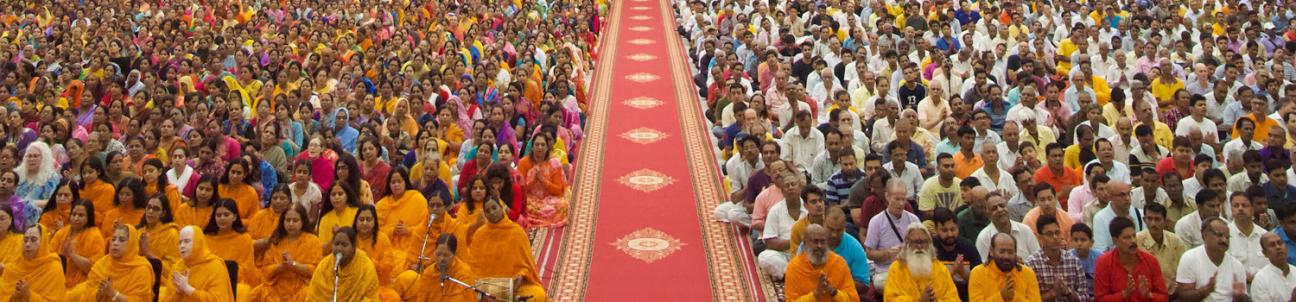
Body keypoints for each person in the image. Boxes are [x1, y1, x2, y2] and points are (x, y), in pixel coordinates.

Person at [465, 197, 547, 301]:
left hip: (515, 287)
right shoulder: (480, 234)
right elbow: (473, 268)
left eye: (494, 208)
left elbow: (526, 266)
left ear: (501, 208)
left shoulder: (517, 232)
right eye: (488, 211)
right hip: (486, 289)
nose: (492, 213)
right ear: (485, 214)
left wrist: (520, 277)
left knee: (537, 295)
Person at [249, 204, 323, 301]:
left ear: (303, 222)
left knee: (309, 294)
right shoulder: (276, 240)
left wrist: (293, 265)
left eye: (295, 220)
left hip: (301, 285)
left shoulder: (313, 241)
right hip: (278, 284)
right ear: (282, 222)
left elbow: (316, 270)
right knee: (260, 292)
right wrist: (281, 266)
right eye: (288, 220)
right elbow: (266, 271)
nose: (291, 224)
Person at [65, 224, 154, 301]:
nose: (115, 243)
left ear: (131, 243)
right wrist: (99, 294)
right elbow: (87, 293)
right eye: (114, 239)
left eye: (121, 240)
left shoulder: (141, 268)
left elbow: (140, 300)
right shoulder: (102, 264)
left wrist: (113, 294)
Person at [1093, 216, 1169, 301]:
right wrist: (1123, 295)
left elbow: (1164, 296)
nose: (1133, 241)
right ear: (1115, 241)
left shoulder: (1151, 261)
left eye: (1134, 236)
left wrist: (1149, 295)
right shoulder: (1104, 262)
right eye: (1127, 237)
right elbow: (1099, 299)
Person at [865, 178, 922, 287]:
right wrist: (887, 253)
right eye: (897, 199)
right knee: (882, 284)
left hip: (911, 267)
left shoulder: (913, 219)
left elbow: (924, 245)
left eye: (903, 199)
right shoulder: (876, 221)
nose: (901, 204)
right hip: (886, 270)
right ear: (887, 196)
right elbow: (869, 253)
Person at [1175, 217, 1248, 302]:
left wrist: (1238, 296)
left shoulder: (1237, 266)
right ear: (1204, 235)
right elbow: (1184, 297)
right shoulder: (1189, 258)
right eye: (1219, 235)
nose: (1224, 240)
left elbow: (1243, 299)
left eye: (1227, 237)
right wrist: (1206, 290)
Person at [883, 222, 960, 301]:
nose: (919, 246)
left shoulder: (940, 269)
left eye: (923, 242)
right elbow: (890, 299)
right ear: (907, 244)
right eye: (915, 242)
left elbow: (954, 298)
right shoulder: (896, 269)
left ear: (929, 244)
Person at [1023, 215, 1093, 301]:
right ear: (1040, 238)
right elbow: (1028, 299)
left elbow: (1085, 297)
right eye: (1049, 234)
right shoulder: (1031, 264)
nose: (1055, 237)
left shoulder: (1073, 261)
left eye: (1057, 232)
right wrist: (1053, 293)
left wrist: (1068, 292)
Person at [785, 223, 860, 301]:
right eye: (815, 241)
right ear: (805, 243)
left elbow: (853, 299)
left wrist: (834, 292)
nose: (819, 246)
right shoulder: (794, 267)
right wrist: (815, 294)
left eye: (823, 241)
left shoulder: (839, 263)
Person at [395, 234, 478, 302]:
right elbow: (422, 298)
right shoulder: (429, 272)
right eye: (438, 254)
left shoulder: (463, 274)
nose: (441, 259)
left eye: (446, 255)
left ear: (454, 255)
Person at [159, 226, 233, 302]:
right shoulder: (177, 267)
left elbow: (218, 300)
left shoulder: (215, 266)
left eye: (187, 241)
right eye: (180, 242)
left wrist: (189, 290)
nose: (182, 246)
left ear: (198, 242)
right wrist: (178, 293)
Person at [306, 227, 380, 301]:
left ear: (353, 247)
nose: (339, 249)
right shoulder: (325, 265)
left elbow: (370, 298)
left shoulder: (365, 266)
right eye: (336, 244)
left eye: (344, 245)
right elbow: (313, 296)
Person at [204, 199, 260, 296]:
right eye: (218, 215)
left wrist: (226, 272)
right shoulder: (206, 238)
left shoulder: (244, 238)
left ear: (234, 217)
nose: (222, 218)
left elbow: (247, 269)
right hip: (209, 282)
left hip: (234, 282)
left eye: (226, 215)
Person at [759, 173, 807, 279]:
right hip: (784, 255)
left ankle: (793, 275)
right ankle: (794, 275)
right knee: (765, 257)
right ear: (782, 192)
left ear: (800, 188)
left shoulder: (809, 207)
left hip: (807, 252)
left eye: (793, 184)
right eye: (787, 186)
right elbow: (770, 242)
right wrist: (795, 242)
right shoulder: (775, 210)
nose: (790, 188)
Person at [968, 233, 1042, 301]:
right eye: (1002, 252)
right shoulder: (978, 273)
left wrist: (1014, 297)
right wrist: (1001, 296)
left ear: (1016, 253)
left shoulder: (1028, 273)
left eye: (1010, 252)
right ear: (991, 251)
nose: (1006, 256)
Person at [0, 225, 65, 301]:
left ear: (43, 242)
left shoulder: (53, 267)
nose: (28, 244)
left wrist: (29, 295)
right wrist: (13, 297)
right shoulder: (12, 268)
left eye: (33, 240)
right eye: (25, 240)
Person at [518, 132, 569, 227]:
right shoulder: (523, 163)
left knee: (562, 205)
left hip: (550, 198)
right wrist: (532, 180)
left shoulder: (554, 163)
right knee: (525, 207)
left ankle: (541, 218)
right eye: (537, 144)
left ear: (547, 147)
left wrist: (542, 179)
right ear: (532, 147)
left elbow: (558, 190)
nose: (540, 147)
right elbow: (520, 189)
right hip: (530, 199)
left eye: (543, 145)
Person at [1135, 203, 1187, 293]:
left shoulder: (1175, 241)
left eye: (1157, 219)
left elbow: (1184, 268)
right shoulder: (1136, 241)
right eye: (1149, 219)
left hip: (1173, 294)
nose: (1153, 223)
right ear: (1144, 220)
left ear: (1165, 220)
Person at [52, 200, 105, 287]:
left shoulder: (96, 237)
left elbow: (94, 270)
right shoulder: (62, 233)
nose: (76, 218)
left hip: (82, 286)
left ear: (89, 217)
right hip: (57, 280)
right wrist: (61, 257)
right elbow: (49, 258)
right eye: (74, 214)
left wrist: (73, 255)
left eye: (81, 215)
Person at [975, 192, 1040, 261]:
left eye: (1002, 206)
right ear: (988, 214)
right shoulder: (983, 238)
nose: (1000, 210)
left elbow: (1038, 260)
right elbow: (983, 268)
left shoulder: (1025, 230)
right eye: (994, 208)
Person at [1092, 182, 1145, 251]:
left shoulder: (1141, 214)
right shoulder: (1100, 218)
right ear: (1110, 197)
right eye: (1122, 195)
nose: (1127, 198)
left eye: (1129, 193)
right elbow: (1101, 251)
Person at [1249, 233, 1296, 301]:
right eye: (1272, 245)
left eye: (1280, 243)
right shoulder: (1260, 280)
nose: (1278, 247)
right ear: (1265, 253)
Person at [138, 194, 180, 264]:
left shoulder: (171, 234)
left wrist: (148, 254)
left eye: (156, 209)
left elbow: (173, 266)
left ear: (163, 213)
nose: (150, 211)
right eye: (149, 207)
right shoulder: (139, 232)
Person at [317, 183, 361, 248]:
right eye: (333, 194)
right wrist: (335, 236)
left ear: (347, 196)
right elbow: (322, 250)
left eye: (340, 194)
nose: (336, 197)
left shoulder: (357, 213)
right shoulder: (325, 218)